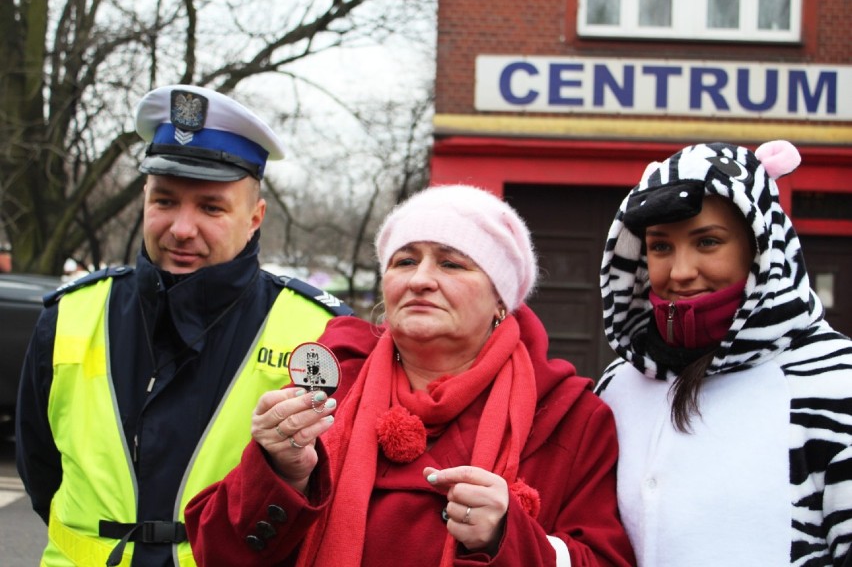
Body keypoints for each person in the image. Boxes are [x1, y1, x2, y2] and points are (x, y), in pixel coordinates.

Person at [184, 185, 636, 566]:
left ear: (501, 299)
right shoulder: (329, 384)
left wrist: (507, 536)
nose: (420, 279)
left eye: (451, 263)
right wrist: (280, 472)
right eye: (404, 261)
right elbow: (216, 552)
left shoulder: (568, 414)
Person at [15, 84, 352, 567]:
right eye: (165, 201)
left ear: (255, 217)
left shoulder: (317, 331)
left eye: (211, 207)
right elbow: (40, 468)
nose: (181, 228)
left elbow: (326, 494)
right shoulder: (70, 314)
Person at [596, 140, 852, 566]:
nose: (680, 271)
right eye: (660, 247)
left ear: (759, 245)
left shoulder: (834, 381)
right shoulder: (618, 385)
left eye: (708, 242)